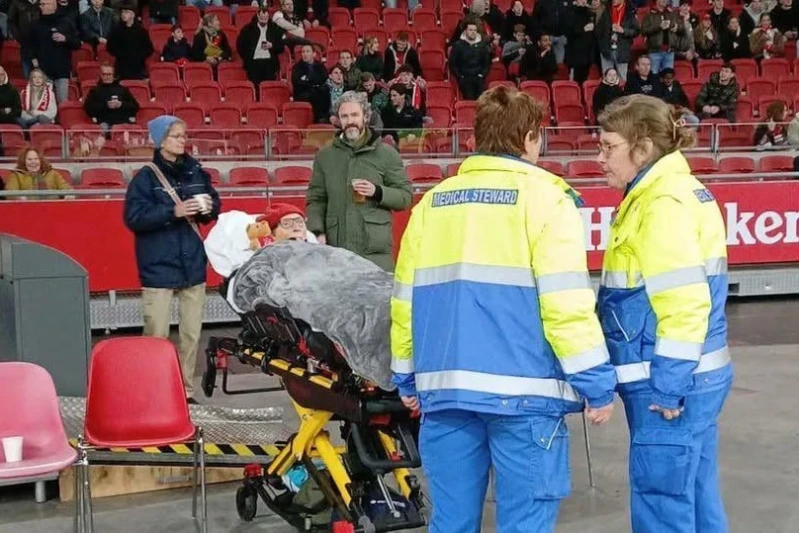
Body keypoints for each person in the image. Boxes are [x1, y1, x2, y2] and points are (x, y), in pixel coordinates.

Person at [390, 86, 617, 533]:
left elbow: (404, 302)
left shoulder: (431, 203)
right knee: (525, 523)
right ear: (531, 137)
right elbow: (565, 303)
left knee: (451, 523)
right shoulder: (548, 200)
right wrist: (595, 382)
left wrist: (405, 373)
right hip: (526, 398)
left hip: (446, 394)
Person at [595, 93, 732, 533]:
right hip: (695, 378)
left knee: (662, 504)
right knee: (694, 495)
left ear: (643, 148)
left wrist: (668, 386)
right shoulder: (675, 191)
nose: (599, 158)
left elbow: (684, 303)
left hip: (669, 385)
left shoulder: (660, 206)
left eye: (608, 147)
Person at [123, 115, 221, 402]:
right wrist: (172, 213)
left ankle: (185, 391)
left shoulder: (195, 171)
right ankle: (153, 392)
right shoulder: (145, 178)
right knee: (157, 335)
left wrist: (206, 207)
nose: (182, 140)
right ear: (160, 140)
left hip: (192, 264)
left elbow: (215, 203)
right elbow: (134, 217)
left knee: (191, 335)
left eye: (183, 134)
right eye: (176, 135)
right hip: (159, 265)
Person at [306, 91, 412, 272]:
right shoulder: (325, 156)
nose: (350, 120)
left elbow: (405, 197)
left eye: (355, 115)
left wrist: (377, 191)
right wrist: (317, 231)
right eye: (344, 116)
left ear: (366, 117)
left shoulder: (387, 153)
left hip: (375, 254)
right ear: (338, 120)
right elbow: (316, 199)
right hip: (336, 253)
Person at [29, 0, 80, 103]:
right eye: (40, 4)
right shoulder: (35, 24)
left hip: (61, 69)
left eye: (44, 4)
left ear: (53, 5)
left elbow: (77, 43)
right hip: (42, 70)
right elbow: (29, 44)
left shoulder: (66, 22)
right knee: (44, 103)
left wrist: (65, 38)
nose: (41, 7)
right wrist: (33, 58)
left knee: (62, 102)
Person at [83, 63, 139, 132]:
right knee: (103, 128)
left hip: (122, 122)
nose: (107, 77)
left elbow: (135, 107)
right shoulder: (95, 91)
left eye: (109, 74)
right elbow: (88, 109)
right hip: (104, 123)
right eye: (104, 74)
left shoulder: (123, 90)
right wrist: (106, 105)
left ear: (113, 75)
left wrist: (121, 104)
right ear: (101, 75)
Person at [237, 6, 284, 87]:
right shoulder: (248, 29)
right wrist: (247, 57)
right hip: (253, 64)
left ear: (268, 16)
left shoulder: (275, 28)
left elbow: (281, 47)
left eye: (266, 18)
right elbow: (240, 46)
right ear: (257, 16)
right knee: (255, 88)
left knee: (269, 89)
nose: (264, 20)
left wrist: (272, 45)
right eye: (262, 18)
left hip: (269, 63)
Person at [106, 2, 154, 80]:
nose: (123, 14)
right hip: (121, 68)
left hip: (137, 68)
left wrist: (138, 56)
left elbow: (149, 49)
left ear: (133, 14)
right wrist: (121, 54)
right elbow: (109, 47)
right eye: (122, 12)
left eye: (126, 12)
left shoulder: (141, 32)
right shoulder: (116, 31)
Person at [595, 0, 640, 82]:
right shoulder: (607, 10)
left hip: (622, 50)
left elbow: (636, 31)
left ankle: (622, 94)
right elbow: (598, 30)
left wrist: (623, 31)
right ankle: (608, 95)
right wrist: (603, 43)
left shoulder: (630, 11)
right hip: (606, 50)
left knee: (623, 78)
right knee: (607, 78)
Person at [449, 18, 491, 100]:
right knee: (469, 100)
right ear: (465, 31)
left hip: (478, 78)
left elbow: (487, 63)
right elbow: (452, 64)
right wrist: (460, 76)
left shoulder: (482, 45)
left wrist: (482, 75)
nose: (473, 32)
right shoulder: (458, 45)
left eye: (475, 30)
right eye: (470, 30)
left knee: (481, 101)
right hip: (465, 78)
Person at [4, 146, 71, 194]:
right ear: (24, 161)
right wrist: (20, 199)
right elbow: (11, 193)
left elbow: (66, 188)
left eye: (36, 159)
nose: (33, 162)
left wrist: (68, 195)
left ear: (40, 160)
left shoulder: (52, 173)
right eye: (29, 159)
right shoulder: (16, 176)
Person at [641, 0, 679, 74]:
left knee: (668, 76)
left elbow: (679, 28)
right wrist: (659, 27)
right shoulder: (649, 15)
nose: (665, 0)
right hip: (655, 51)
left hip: (669, 51)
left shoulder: (671, 13)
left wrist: (675, 27)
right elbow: (643, 31)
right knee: (654, 77)